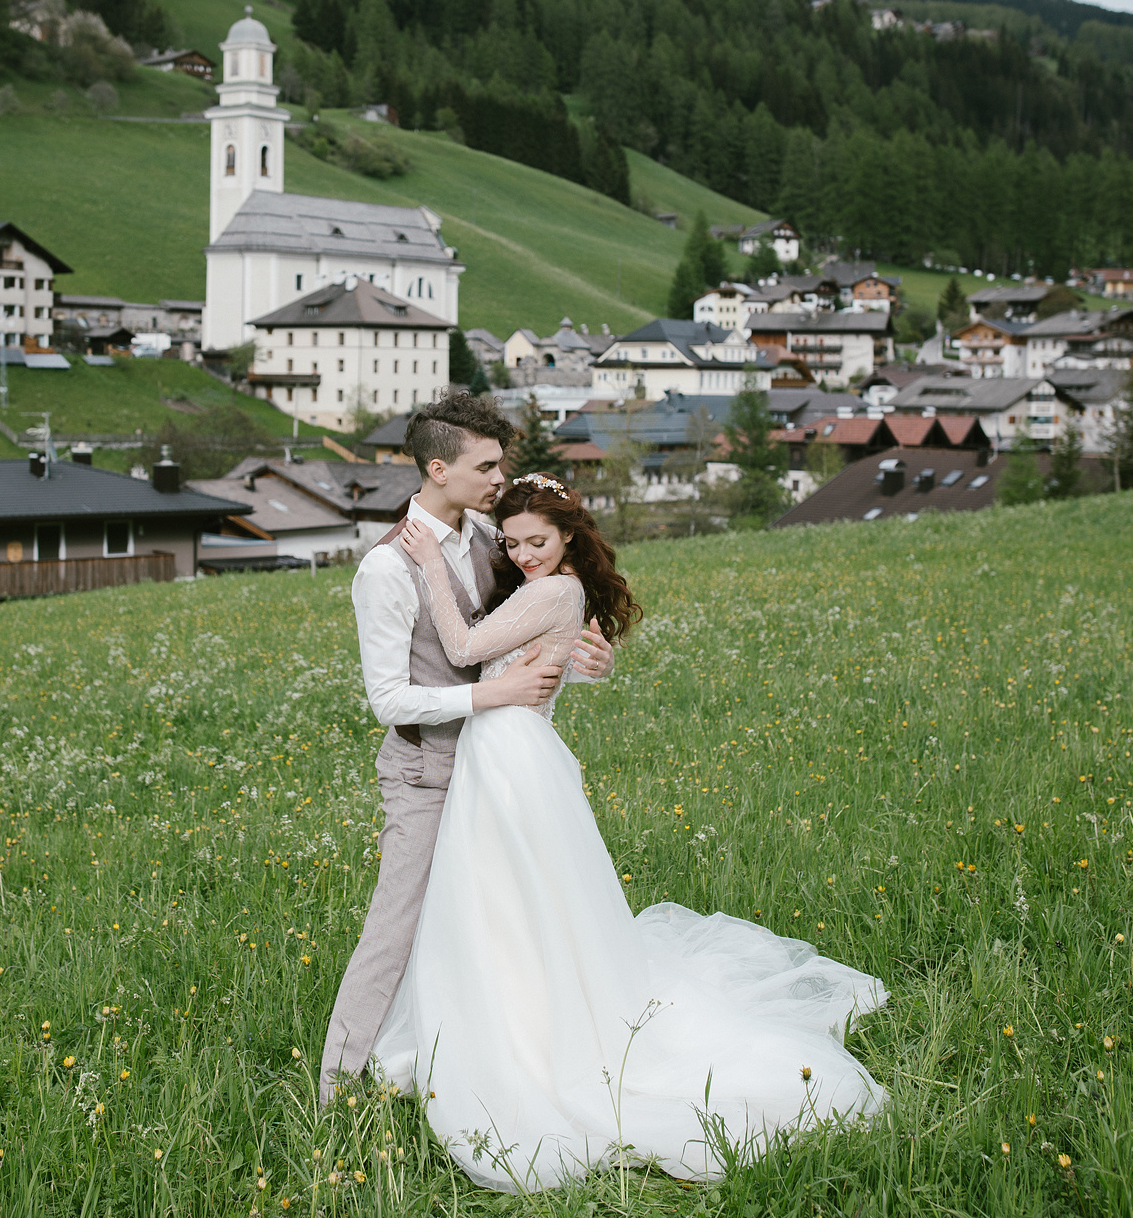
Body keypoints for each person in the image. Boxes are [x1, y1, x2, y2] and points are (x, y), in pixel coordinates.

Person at [373, 471, 890, 1192]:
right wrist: (590, 666)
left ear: (568, 539)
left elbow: (462, 648)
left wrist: (426, 560)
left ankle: (527, 1029)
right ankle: (510, 1006)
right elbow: (532, 658)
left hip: (511, 758)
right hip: (504, 754)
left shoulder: (555, 588)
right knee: (506, 901)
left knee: (511, 895)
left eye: (538, 541)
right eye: (514, 541)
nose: (522, 553)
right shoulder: (545, 587)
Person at [319, 392, 615, 1106]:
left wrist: (585, 658)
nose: (498, 478)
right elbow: (388, 699)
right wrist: (491, 698)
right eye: (486, 465)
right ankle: (336, 1085)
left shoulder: (493, 535)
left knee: (503, 919)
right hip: (427, 771)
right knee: (397, 924)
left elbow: (525, 631)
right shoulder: (386, 570)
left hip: (499, 768)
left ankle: (496, 1062)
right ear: (438, 468)